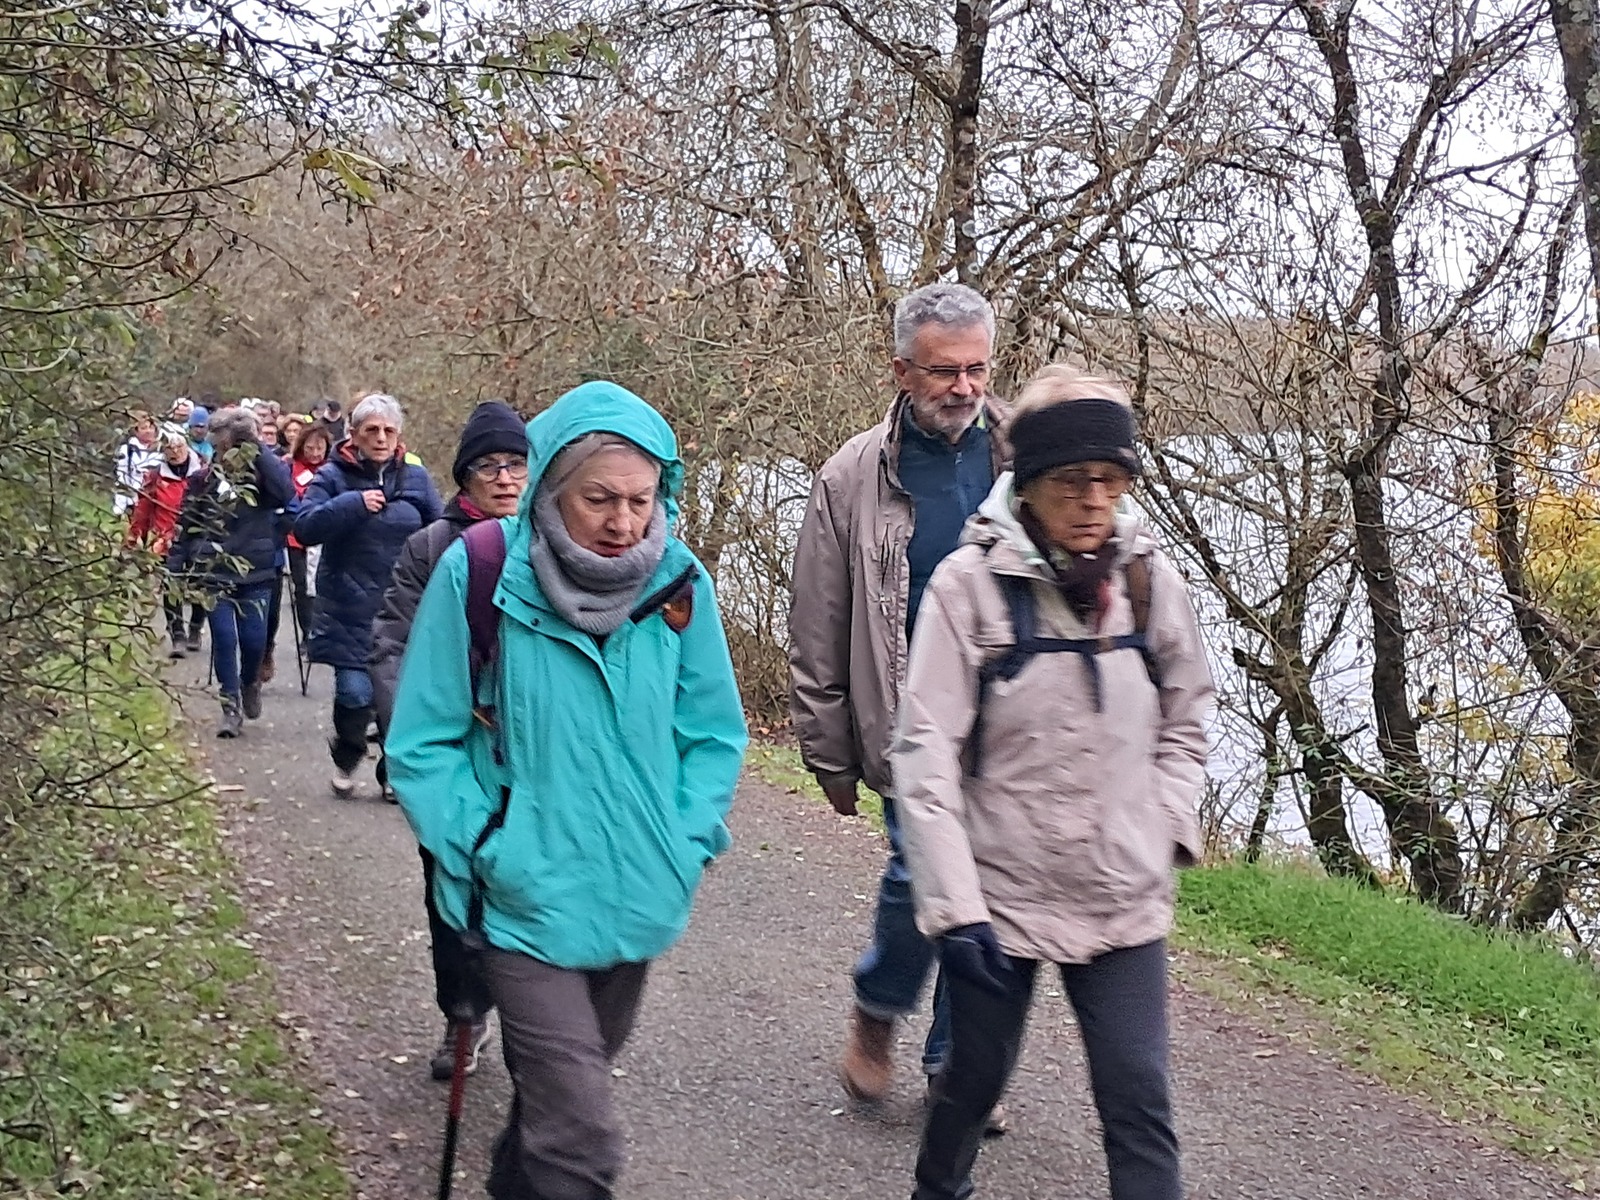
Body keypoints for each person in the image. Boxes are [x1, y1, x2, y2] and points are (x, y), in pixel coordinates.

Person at [387, 381, 746, 1200]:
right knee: (582, 1136)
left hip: (637, 892)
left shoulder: (679, 584)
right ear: (551, 487)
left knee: (552, 1107)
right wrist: (485, 845)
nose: (623, 522)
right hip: (522, 897)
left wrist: (682, 841)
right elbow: (423, 742)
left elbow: (712, 734)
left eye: (641, 500)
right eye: (600, 500)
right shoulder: (480, 573)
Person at [893, 366, 1213, 1200]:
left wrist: (1165, 824)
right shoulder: (969, 589)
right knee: (972, 1081)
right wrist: (954, 909)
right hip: (1000, 898)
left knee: (1138, 1099)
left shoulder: (1148, 583)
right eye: (1073, 480)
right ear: (1028, 484)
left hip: (1120, 892)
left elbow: (1189, 714)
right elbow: (924, 755)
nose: (1094, 500)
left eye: (1111, 479)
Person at [789, 281, 1009, 1119]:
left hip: (1010, 723)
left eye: (977, 368)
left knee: (989, 891)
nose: (964, 387)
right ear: (902, 371)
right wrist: (828, 751)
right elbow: (818, 620)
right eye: (944, 371)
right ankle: (878, 1008)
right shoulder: (851, 476)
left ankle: (956, 1064)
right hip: (909, 721)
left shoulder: (1023, 458)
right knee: (923, 877)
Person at [369, 400, 529, 1081]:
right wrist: (411, 743)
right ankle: (463, 1014)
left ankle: (534, 1021)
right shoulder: (431, 548)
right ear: (464, 477)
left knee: (531, 886)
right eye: (489, 466)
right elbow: (393, 645)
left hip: (532, 759)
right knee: (453, 891)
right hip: (455, 754)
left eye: (516, 464)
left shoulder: (553, 544)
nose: (504, 478)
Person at [294, 392, 441, 797]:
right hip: (348, 605)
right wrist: (352, 505)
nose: (380, 438)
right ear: (354, 434)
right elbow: (304, 527)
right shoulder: (332, 476)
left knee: (397, 697)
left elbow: (442, 531)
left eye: (389, 431)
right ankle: (348, 751)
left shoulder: (416, 479)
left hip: (403, 606)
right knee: (355, 694)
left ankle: (392, 772)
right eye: (372, 430)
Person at [168, 406, 295, 737]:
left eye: (234, 445)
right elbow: (187, 524)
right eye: (223, 445)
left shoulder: (264, 480)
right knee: (224, 639)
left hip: (257, 572)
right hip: (215, 572)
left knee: (254, 641)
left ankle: (249, 682)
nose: (228, 452)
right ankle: (230, 706)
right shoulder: (202, 481)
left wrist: (257, 445)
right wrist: (177, 565)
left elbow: (286, 493)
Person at [126, 423, 207, 658]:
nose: (175, 452)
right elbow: (143, 510)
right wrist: (132, 539)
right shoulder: (155, 475)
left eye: (179, 446)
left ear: (186, 445)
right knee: (172, 586)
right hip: (167, 538)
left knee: (200, 584)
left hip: (199, 535)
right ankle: (177, 635)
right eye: (169, 448)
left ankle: (195, 628)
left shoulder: (204, 472)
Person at [286, 423, 332, 642]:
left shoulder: (333, 470)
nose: (315, 453)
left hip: (326, 536)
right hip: (296, 538)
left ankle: (323, 630)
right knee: (303, 587)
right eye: (310, 448)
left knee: (323, 585)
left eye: (319, 448)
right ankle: (307, 633)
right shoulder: (289, 467)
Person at [113, 412, 160, 516]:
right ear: (136, 431)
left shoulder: (162, 449)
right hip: (134, 501)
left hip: (157, 501)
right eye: (143, 428)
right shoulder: (127, 450)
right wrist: (120, 506)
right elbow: (122, 477)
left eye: (151, 427)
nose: (148, 431)